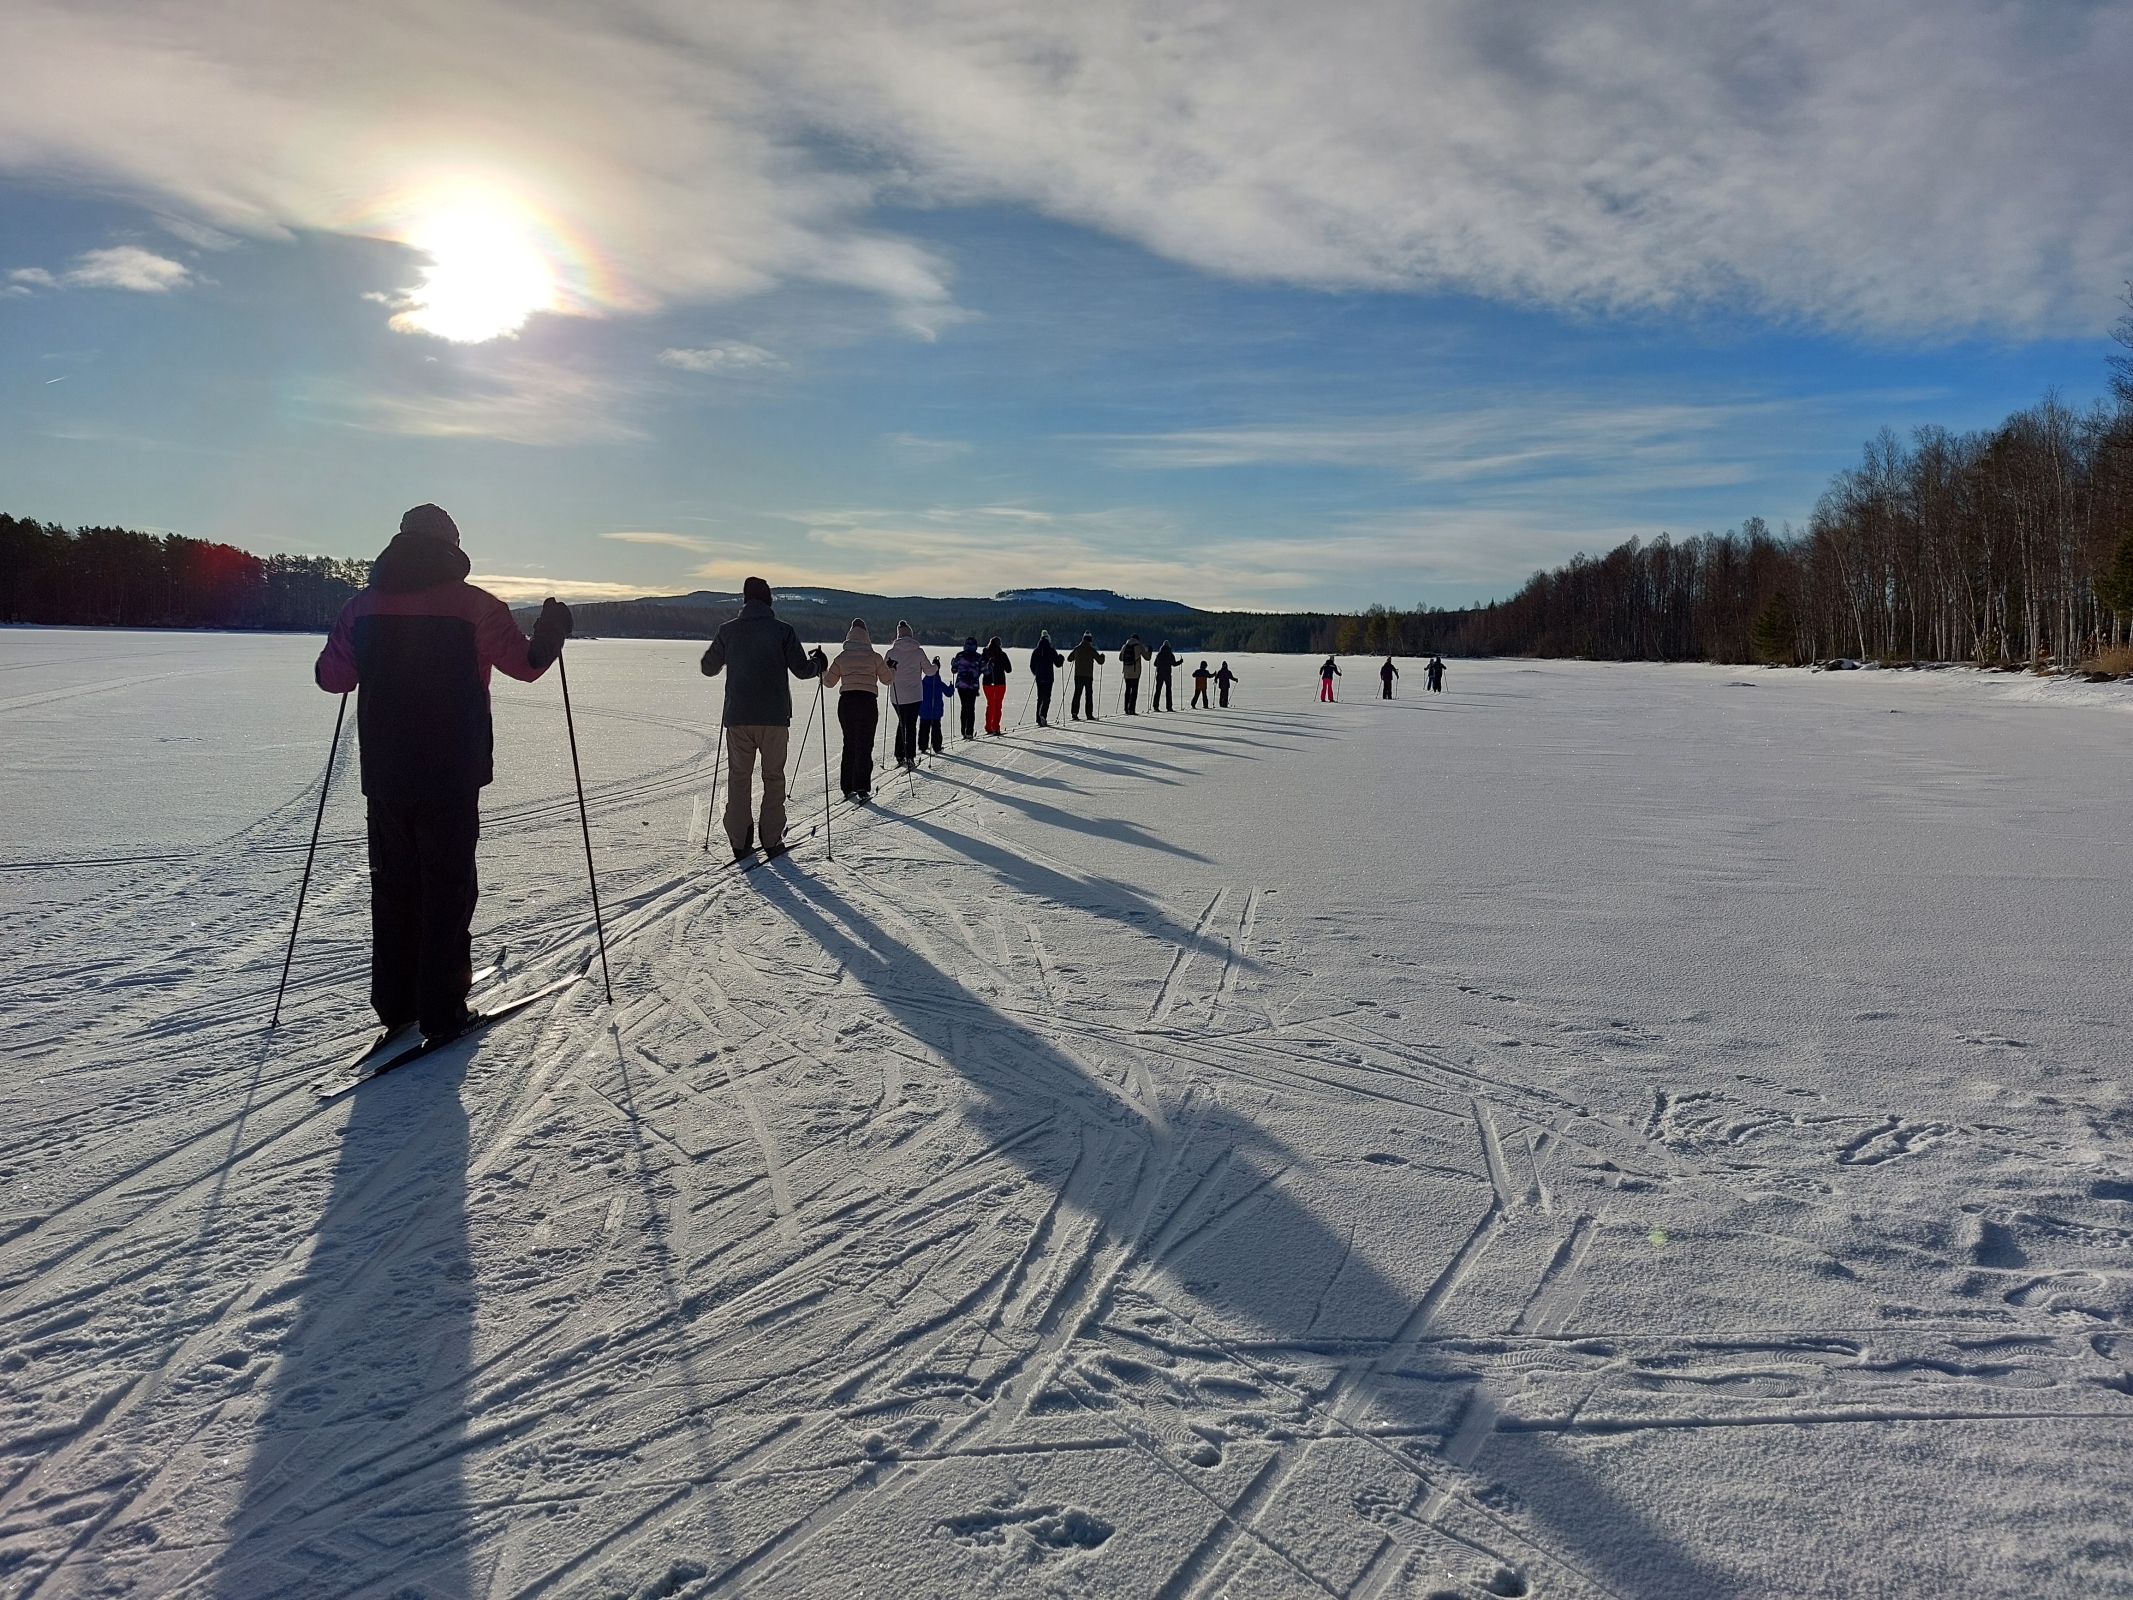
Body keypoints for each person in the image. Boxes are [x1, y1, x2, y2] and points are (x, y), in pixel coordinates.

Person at [315, 503, 572, 1045]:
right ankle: (442, 1010)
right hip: (452, 770)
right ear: (452, 548)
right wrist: (551, 630)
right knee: (447, 888)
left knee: (394, 888)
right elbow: (526, 665)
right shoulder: (475, 605)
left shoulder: (361, 606)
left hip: (386, 772)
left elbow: (332, 677)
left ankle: (397, 1005)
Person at [700, 575, 829, 860]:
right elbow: (802, 670)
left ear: (745, 599)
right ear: (768, 600)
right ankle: (771, 840)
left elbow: (708, 668)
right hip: (774, 718)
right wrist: (818, 663)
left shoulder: (727, 630)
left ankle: (739, 841)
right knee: (773, 777)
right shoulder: (783, 630)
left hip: (738, 717)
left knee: (739, 777)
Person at [823, 618, 895, 800]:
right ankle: (861, 786)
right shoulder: (874, 657)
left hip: (846, 702)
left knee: (849, 743)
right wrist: (892, 669)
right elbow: (887, 680)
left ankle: (847, 787)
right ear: (866, 636)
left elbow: (829, 682)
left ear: (850, 635)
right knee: (864, 744)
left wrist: (821, 670)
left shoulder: (842, 657)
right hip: (867, 702)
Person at [885, 620, 928, 770]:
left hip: (897, 695)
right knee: (910, 725)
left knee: (902, 722)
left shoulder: (891, 652)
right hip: (914, 695)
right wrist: (936, 666)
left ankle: (899, 754)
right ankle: (910, 756)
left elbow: (884, 673)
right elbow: (929, 671)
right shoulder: (919, 651)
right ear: (910, 634)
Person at [951, 635, 985, 740]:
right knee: (970, 708)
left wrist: (953, 664)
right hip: (972, 685)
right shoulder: (979, 657)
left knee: (964, 707)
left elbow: (954, 669)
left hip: (961, 685)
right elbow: (986, 670)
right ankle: (969, 731)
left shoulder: (960, 655)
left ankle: (963, 731)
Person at [1029, 630, 1064, 726]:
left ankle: (1038, 718)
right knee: (1047, 698)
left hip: (1039, 678)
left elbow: (1032, 665)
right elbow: (1058, 664)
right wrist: (1061, 658)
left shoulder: (1036, 651)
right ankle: (1043, 715)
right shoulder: (1051, 651)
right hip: (1048, 678)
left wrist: (1036, 673)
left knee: (1040, 698)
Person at [981, 635, 1014, 735]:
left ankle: (988, 727)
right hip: (999, 683)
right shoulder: (1002, 655)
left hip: (987, 683)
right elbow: (1009, 669)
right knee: (997, 705)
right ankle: (995, 727)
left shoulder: (985, 654)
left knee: (990, 704)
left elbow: (981, 668)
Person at [1067, 633, 1104, 719]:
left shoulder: (1077, 648)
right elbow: (1100, 661)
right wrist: (1102, 657)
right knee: (1089, 695)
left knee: (1077, 694)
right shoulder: (1091, 649)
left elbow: (1069, 659)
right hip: (1088, 676)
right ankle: (1089, 714)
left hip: (1078, 675)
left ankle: (1074, 713)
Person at [918, 657, 948, 753]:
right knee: (936, 729)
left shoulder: (923, 682)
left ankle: (922, 747)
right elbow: (948, 693)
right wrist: (951, 687)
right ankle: (937, 747)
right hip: (936, 711)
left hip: (924, 710)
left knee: (923, 729)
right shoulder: (939, 682)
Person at [1119, 634, 1147, 714]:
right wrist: (1150, 651)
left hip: (1126, 672)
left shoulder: (1125, 646)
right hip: (1135, 672)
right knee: (1134, 691)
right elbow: (1147, 657)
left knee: (1127, 689)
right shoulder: (1139, 647)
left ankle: (1126, 708)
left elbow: (1120, 658)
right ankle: (1132, 709)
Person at [1151, 641, 1179, 711]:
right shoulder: (1170, 654)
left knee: (1158, 690)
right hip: (1167, 674)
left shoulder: (1159, 654)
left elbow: (1155, 664)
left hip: (1160, 674)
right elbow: (1174, 664)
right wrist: (1180, 661)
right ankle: (1169, 707)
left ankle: (1155, 706)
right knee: (1168, 691)